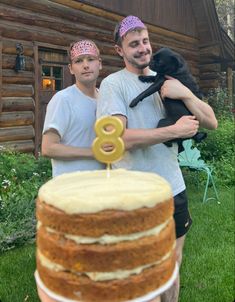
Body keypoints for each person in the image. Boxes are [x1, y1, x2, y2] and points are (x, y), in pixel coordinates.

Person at [97, 15, 218, 302]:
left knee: (172, 265)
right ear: (120, 50)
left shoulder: (170, 76)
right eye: (134, 44)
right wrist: (172, 131)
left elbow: (211, 122)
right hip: (136, 195)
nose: (143, 48)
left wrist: (185, 93)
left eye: (145, 41)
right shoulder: (115, 85)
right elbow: (118, 138)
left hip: (173, 187)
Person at [41, 39, 105, 177]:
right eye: (79, 61)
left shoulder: (105, 99)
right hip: (70, 189)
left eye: (91, 59)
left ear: (99, 64)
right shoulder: (63, 99)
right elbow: (48, 148)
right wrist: (94, 152)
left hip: (100, 187)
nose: (86, 65)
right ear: (70, 68)